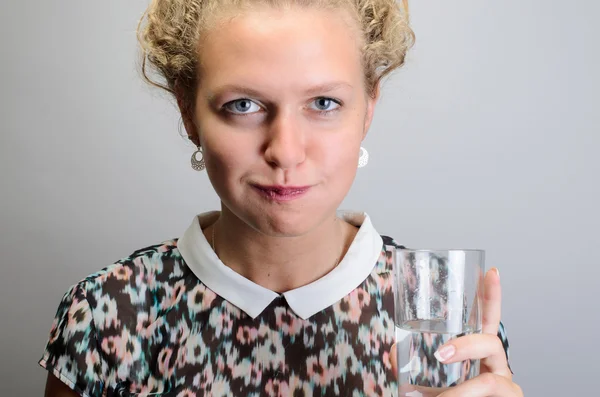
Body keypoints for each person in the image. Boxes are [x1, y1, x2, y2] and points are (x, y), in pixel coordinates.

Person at [40, 1, 522, 396]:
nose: (285, 151)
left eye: (324, 103)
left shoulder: (443, 312)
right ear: (189, 112)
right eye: (243, 105)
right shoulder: (109, 311)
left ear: (369, 107)